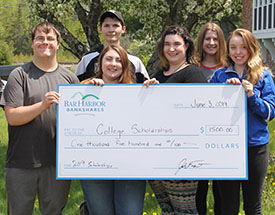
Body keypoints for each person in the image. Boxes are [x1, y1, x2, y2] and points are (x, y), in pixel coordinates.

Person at [0, 22, 79, 215]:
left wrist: (94, 87)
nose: (45, 42)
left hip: (56, 163)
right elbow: (12, 117)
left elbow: (83, 116)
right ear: (32, 43)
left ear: (58, 44)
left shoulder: (69, 79)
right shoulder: (19, 75)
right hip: (21, 163)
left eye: (50, 38)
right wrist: (43, 105)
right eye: (40, 39)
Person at [80, 44, 155, 215]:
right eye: (108, 59)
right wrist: (89, 92)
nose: (113, 64)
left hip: (130, 167)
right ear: (100, 63)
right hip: (94, 167)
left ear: (125, 65)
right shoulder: (84, 87)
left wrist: (153, 94)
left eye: (118, 60)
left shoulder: (138, 92)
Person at [210, 28, 275, 215]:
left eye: (243, 47)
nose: (238, 52)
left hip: (255, 148)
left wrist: (252, 95)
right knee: (227, 206)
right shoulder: (219, 76)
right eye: (233, 47)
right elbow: (209, 111)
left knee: (252, 206)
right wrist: (225, 92)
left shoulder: (263, 76)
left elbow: (270, 113)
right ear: (228, 50)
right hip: (225, 148)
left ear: (251, 49)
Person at [148, 25, 207, 215]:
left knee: (186, 210)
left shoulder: (193, 74)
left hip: (184, 158)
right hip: (159, 154)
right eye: (167, 44)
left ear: (187, 46)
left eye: (176, 44)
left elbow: (196, 115)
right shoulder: (158, 75)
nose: (171, 49)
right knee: (167, 209)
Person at [195, 22, 227, 215]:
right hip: (197, 138)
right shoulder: (192, 68)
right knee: (199, 189)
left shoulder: (229, 68)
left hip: (222, 138)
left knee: (221, 191)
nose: (212, 42)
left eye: (215, 39)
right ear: (201, 41)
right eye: (208, 38)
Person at [76, 10, 149, 83]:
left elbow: (147, 90)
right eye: (107, 26)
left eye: (115, 25)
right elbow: (74, 88)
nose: (111, 30)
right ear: (100, 29)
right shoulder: (87, 60)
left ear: (123, 29)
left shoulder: (135, 62)